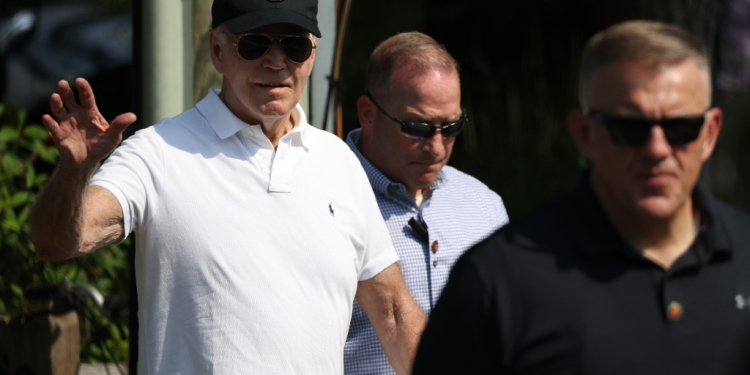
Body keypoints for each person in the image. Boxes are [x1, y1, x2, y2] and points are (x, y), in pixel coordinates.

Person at [29, 0, 426, 373]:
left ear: (313, 54)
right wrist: (75, 172)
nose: (276, 62)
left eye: (294, 46)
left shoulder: (339, 162)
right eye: (254, 44)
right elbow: (58, 241)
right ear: (217, 51)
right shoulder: (157, 153)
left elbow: (393, 313)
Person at [413, 20, 750, 374]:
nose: (657, 149)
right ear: (585, 134)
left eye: (680, 127)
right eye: (629, 128)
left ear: (710, 133)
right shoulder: (497, 281)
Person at [342, 32, 509, 374]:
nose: (437, 147)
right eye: (417, 127)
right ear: (367, 114)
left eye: (451, 126)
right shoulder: (326, 195)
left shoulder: (483, 205)